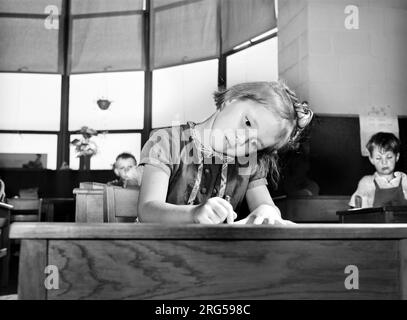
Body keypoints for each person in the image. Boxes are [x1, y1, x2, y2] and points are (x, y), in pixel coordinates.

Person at [138, 81, 313, 224]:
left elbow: (266, 205)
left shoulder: (247, 161)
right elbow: (147, 210)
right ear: (231, 100)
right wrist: (193, 214)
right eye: (248, 123)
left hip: (211, 257)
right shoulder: (167, 141)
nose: (242, 139)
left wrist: (268, 210)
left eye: (255, 143)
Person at [349, 132, 407, 208]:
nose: (384, 162)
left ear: (397, 157)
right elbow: (357, 212)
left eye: (389, 157)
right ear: (371, 159)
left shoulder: (404, 181)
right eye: (378, 158)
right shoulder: (367, 183)